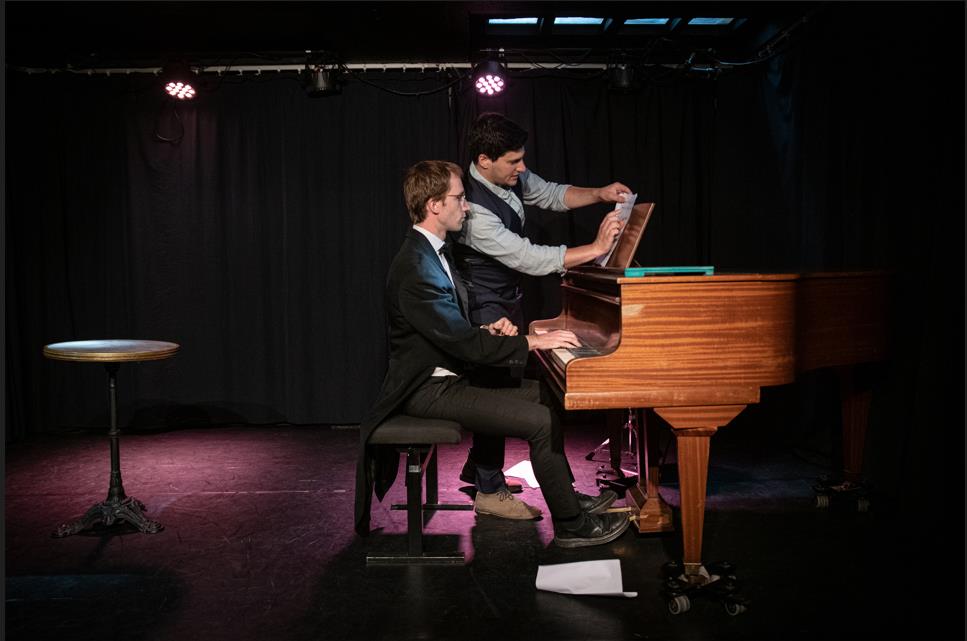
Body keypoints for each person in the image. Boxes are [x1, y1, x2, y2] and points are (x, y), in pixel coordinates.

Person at [353, 160, 630, 548]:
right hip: (427, 390)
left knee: (547, 395)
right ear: (434, 205)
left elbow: (449, 332)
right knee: (539, 421)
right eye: (459, 198)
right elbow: (462, 345)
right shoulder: (415, 267)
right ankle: (571, 525)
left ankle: (568, 499)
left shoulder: (433, 253)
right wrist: (532, 342)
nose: (466, 207)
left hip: (449, 377)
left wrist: (485, 330)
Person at [452, 112, 632, 514]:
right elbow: (528, 258)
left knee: (502, 385)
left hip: (505, 297)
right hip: (482, 303)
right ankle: (489, 488)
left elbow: (551, 194)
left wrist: (600, 193)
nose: (522, 168)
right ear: (484, 161)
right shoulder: (473, 211)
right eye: (514, 161)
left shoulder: (508, 176)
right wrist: (595, 249)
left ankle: (480, 469)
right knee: (493, 392)